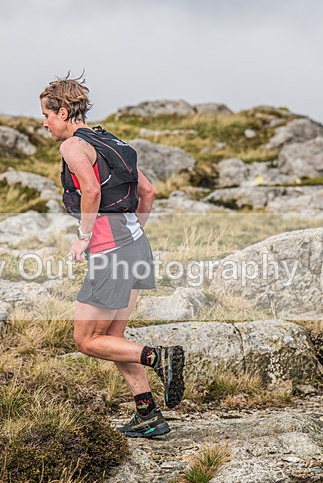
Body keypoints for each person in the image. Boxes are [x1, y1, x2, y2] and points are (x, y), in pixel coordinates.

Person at [39, 74, 185, 438]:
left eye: (46, 115)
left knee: (86, 340)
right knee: (114, 337)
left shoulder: (72, 146)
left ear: (63, 111)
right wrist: (133, 232)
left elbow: (90, 190)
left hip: (110, 251)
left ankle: (158, 357)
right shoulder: (110, 141)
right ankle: (148, 414)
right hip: (135, 246)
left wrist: (84, 237)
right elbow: (148, 192)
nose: (45, 123)